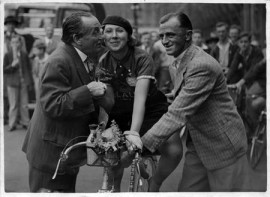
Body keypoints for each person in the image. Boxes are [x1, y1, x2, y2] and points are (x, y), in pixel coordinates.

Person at [127, 11, 250, 192]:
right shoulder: (176, 63)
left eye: (170, 35)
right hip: (198, 145)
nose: (165, 41)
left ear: (188, 36)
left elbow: (178, 113)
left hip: (224, 148)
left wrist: (140, 143)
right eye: (162, 36)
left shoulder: (201, 64)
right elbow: (184, 97)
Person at [22, 12, 111, 192]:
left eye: (101, 30)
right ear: (77, 38)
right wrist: (89, 90)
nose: (102, 36)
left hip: (64, 151)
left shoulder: (82, 55)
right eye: (96, 32)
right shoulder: (59, 60)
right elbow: (53, 105)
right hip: (50, 156)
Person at [97, 15, 183, 192]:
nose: (114, 35)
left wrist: (133, 133)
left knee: (174, 150)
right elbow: (109, 102)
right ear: (103, 36)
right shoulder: (103, 61)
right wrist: (102, 128)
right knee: (112, 158)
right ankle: (115, 190)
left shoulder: (142, 57)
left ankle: (155, 183)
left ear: (129, 36)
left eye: (119, 31)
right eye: (109, 31)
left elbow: (140, 98)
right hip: (120, 110)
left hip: (150, 106)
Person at [4, 34, 34, 131]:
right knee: (13, 105)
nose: (15, 44)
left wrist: (29, 82)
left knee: (24, 104)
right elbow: (4, 69)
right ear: (10, 44)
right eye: (13, 42)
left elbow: (28, 69)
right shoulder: (7, 55)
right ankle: (12, 124)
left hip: (23, 82)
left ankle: (25, 122)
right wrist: (12, 66)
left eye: (17, 42)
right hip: (12, 83)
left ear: (20, 43)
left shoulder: (24, 54)